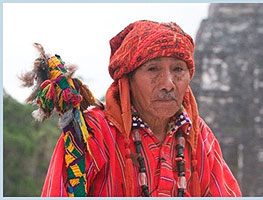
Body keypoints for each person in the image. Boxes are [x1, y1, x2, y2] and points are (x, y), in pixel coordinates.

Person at [41, 20, 241, 197]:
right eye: (153, 69)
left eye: (178, 69)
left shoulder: (198, 136)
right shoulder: (91, 133)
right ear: (128, 79)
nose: (168, 84)